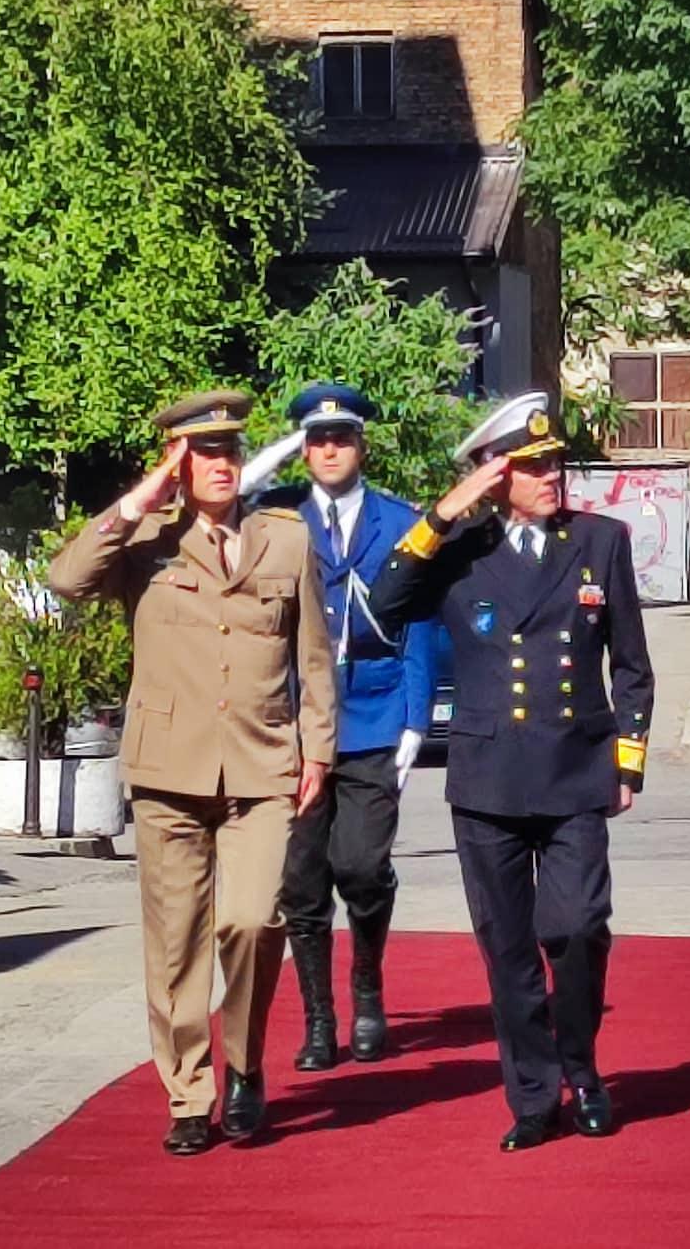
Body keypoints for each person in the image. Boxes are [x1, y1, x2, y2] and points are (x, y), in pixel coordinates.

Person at [47, 390, 337, 1157]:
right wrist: (141, 496)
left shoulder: (285, 540)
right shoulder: (142, 541)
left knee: (252, 921)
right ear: (177, 461)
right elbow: (67, 579)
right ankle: (188, 1092)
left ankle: (244, 1067)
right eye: (203, 454)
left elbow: (313, 655)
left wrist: (320, 750)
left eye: (230, 453)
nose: (221, 466)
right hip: (168, 771)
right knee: (176, 944)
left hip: (262, 765)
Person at [368, 390, 654, 1151]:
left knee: (578, 928)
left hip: (575, 771)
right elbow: (385, 603)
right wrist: (446, 511)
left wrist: (629, 762)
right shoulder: (463, 554)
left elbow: (631, 665)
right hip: (489, 778)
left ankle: (583, 1070)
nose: (551, 475)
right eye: (532, 467)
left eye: (555, 461)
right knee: (507, 949)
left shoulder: (601, 542)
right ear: (497, 478)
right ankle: (533, 1097)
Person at [251, 382, 439, 1070]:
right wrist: (271, 457)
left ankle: (367, 987)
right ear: (303, 450)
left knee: (360, 866)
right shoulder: (277, 518)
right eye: (316, 440)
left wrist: (417, 715)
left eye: (341, 438)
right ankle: (319, 1021)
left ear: (362, 445)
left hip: (375, 713)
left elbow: (417, 616)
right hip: (293, 722)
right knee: (300, 882)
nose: (329, 450)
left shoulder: (398, 521)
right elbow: (220, 504)